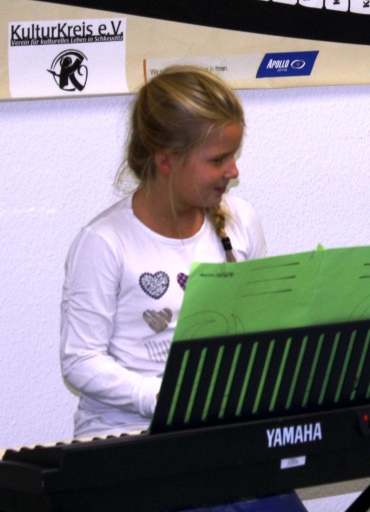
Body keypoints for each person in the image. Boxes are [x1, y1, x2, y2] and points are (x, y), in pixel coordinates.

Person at [59, 66, 305, 512]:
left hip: (216, 440)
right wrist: (168, 400)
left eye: (233, 155)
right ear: (166, 160)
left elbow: (260, 332)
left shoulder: (240, 221)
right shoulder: (104, 242)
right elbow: (80, 361)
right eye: (218, 159)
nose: (233, 170)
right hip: (128, 446)